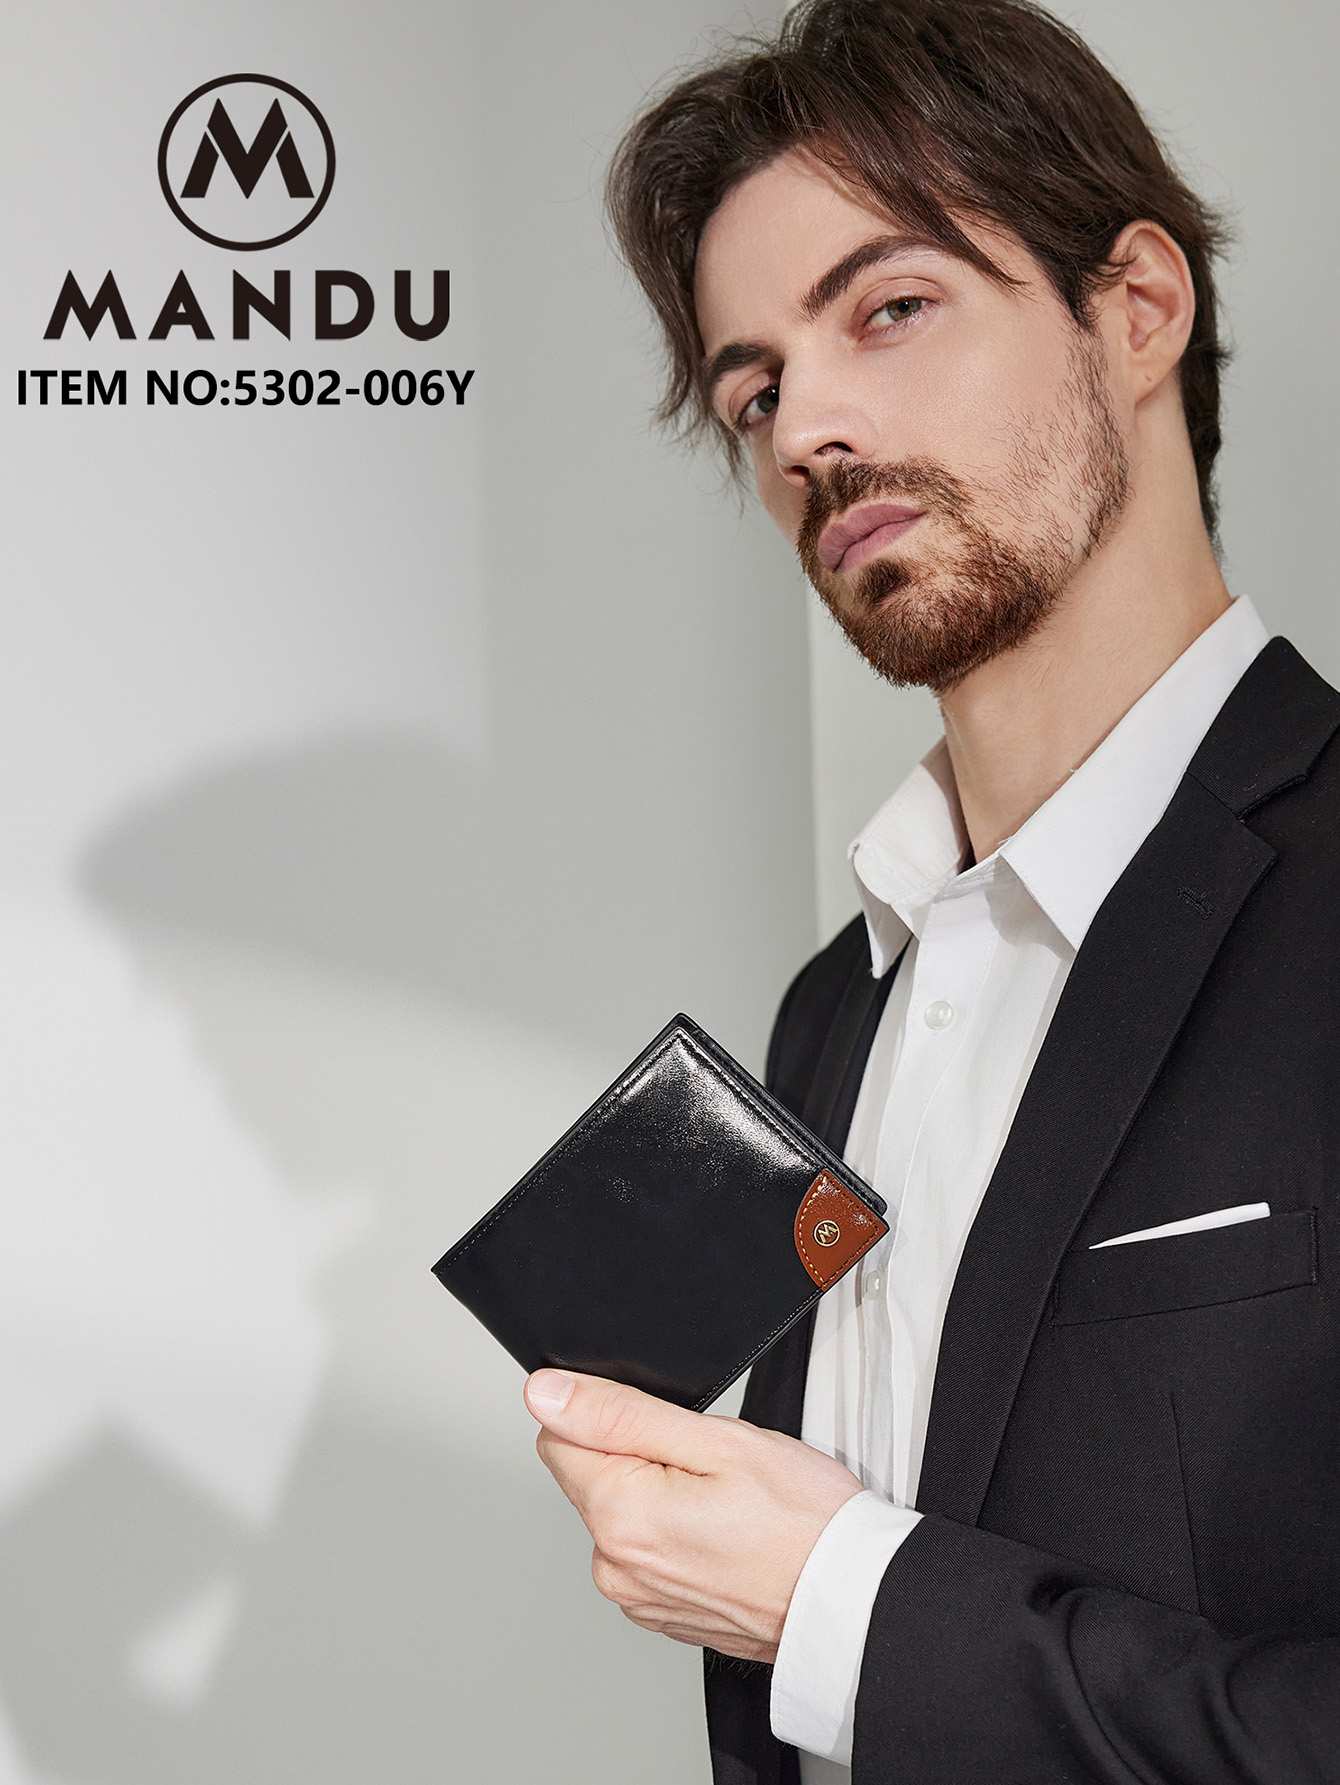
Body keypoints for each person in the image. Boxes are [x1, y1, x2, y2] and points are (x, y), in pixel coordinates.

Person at [522, 1, 1340, 1777]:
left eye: (888, 308)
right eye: (755, 388)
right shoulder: (830, 1011)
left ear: (1137, 309)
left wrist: (840, 1603)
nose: (805, 428)